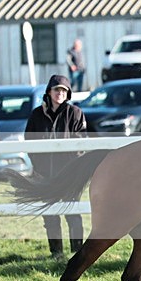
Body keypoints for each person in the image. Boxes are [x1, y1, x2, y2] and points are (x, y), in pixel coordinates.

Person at [24, 75, 88, 259]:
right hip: (45, 174)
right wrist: (39, 164)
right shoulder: (37, 114)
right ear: (49, 92)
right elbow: (29, 140)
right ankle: (56, 252)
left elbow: (82, 141)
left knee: (73, 213)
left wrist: (71, 162)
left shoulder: (75, 113)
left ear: (68, 93)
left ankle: (78, 252)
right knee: (50, 215)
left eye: (63, 90)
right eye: (56, 89)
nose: (60, 93)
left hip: (70, 174)